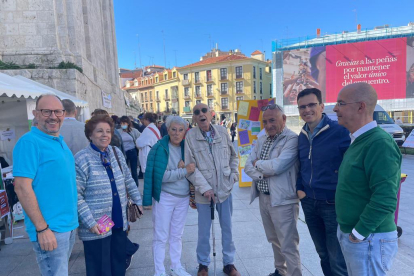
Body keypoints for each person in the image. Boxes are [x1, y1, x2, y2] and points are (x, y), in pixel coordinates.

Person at [333, 83, 402, 276]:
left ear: (361, 106)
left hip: (369, 237)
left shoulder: (379, 143)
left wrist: (359, 233)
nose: (335, 109)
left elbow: (386, 198)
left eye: (341, 103)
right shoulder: (359, 140)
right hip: (360, 236)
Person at [13, 94, 78, 275]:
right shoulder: (29, 142)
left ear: (64, 114)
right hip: (50, 228)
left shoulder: (58, 141)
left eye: (57, 111)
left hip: (67, 226)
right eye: (46, 111)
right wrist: (42, 229)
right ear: (36, 114)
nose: (53, 116)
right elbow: (21, 187)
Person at [75, 115, 143, 276]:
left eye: (108, 131)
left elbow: (127, 178)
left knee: (118, 263)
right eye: (99, 131)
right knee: (100, 268)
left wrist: (137, 200)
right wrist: (90, 223)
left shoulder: (115, 152)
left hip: (118, 220)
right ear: (90, 134)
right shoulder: (81, 158)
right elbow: (76, 195)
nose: (104, 135)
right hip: (97, 225)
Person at [296, 88, 349, 276]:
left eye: (311, 104)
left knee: (337, 258)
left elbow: (350, 168)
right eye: (302, 106)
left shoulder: (339, 132)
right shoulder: (302, 135)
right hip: (309, 203)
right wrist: (300, 189)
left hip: (332, 205)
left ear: (321, 106)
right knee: (323, 254)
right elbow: (299, 165)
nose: (306, 110)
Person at [244, 104, 302, 276]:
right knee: (274, 239)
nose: (268, 125)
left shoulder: (291, 139)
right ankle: (281, 271)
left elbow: (277, 166)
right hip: (264, 197)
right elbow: (248, 166)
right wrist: (262, 173)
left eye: (272, 120)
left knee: (288, 244)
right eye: (265, 121)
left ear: (283, 119)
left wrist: (258, 164)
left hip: (283, 200)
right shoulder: (262, 139)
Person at [185, 103, 240, 276]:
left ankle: (229, 263)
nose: (201, 114)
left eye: (204, 111)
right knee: (203, 232)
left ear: (211, 114)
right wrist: (204, 188)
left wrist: (233, 175)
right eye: (196, 112)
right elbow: (190, 167)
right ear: (194, 117)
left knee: (227, 228)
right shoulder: (190, 137)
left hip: (224, 190)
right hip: (204, 194)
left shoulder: (223, 132)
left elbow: (233, 156)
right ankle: (203, 264)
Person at [143, 116, 194, 276]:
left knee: (177, 235)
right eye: (174, 129)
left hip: (183, 198)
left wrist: (186, 170)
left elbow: (195, 168)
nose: (177, 133)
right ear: (167, 129)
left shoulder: (188, 147)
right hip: (165, 197)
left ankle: (176, 266)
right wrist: (183, 170)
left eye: (180, 130)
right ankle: (159, 271)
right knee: (160, 236)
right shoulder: (159, 148)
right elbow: (161, 177)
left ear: (185, 130)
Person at [136, 112, 161, 177]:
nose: (143, 121)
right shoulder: (154, 128)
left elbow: (139, 143)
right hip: (154, 156)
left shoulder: (147, 130)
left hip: (148, 158)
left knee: (148, 182)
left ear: (147, 119)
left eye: (143, 119)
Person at [119, 116, 141, 186]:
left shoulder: (134, 131)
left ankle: (135, 185)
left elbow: (140, 138)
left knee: (134, 170)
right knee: (124, 170)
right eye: (121, 123)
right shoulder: (119, 132)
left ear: (128, 123)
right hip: (123, 152)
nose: (123, 124)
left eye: (124, 123)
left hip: (132, 151)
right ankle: (125, 186)